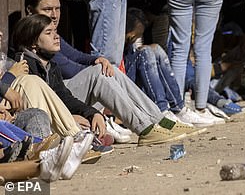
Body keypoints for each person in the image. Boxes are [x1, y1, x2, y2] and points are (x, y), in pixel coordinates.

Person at [10, 14, 191, 147]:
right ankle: (144, 128)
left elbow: (65, 95)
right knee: (99, 73)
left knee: (106, 70)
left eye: (55, 31)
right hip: (44, 122)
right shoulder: (24, 65)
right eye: (49, 33)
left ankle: (158, 121)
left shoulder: (50, 64)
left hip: (64, 110)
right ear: (33, 42)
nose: (56, 36)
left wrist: (91, 113)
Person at [123, 8, 224, 126]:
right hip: (124, 84)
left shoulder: (131, 45)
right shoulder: (117, 44)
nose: (133, 41)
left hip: (138, 82)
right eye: (131, 38)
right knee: (147, 52)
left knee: (157, 50)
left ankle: (178, 109)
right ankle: (162, 111)